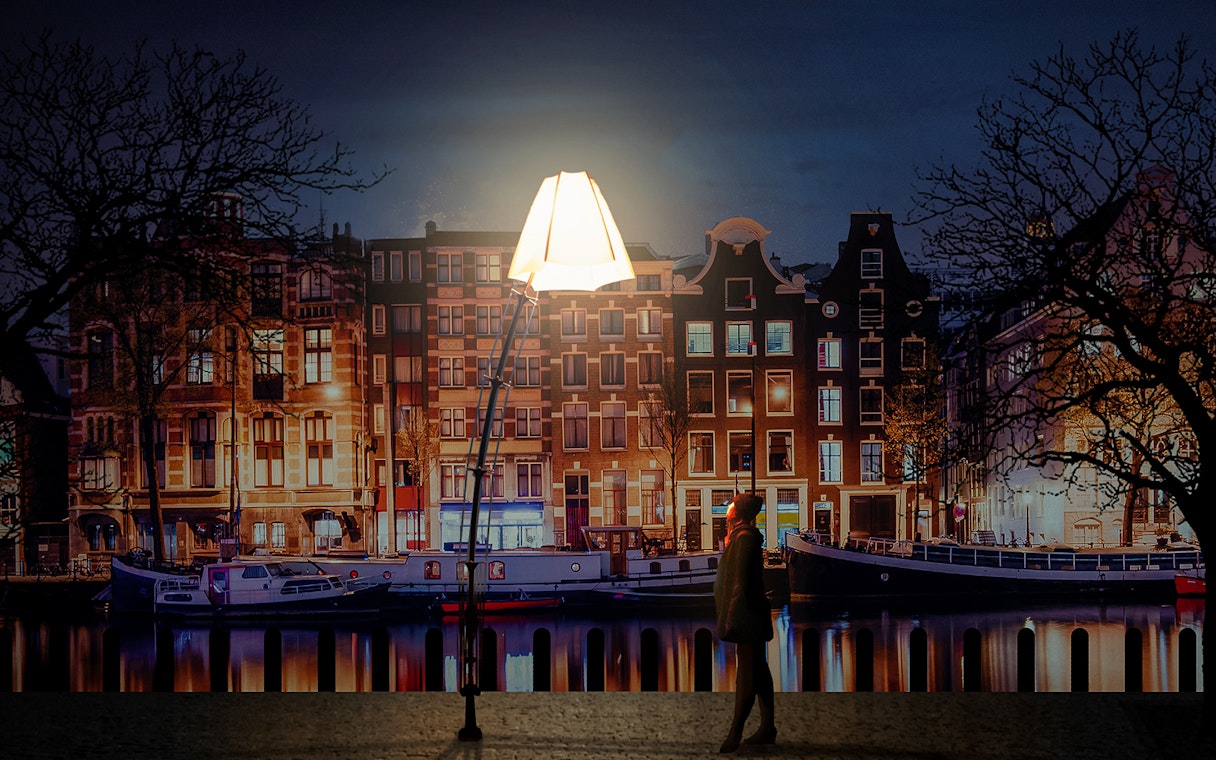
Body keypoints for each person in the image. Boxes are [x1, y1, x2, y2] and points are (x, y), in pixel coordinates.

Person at [713, 493, 776, 753]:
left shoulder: (745, 539)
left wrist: (731, 616)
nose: (728, 507)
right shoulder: (739, 537)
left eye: (732, 505)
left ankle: (734, 733)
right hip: (749, 613)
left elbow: (740, 582)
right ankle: (768, 728)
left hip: (745, 616)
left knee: (746, 677)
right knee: (759, 671)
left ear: (739, 513)